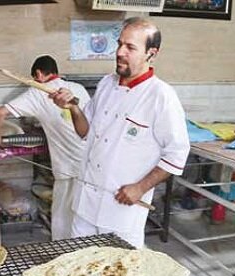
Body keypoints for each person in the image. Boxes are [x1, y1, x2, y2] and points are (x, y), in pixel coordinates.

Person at [50, 17, 190, 248]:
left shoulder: (161, 96)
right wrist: (73, 108)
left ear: (151, 53)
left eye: (130, 47)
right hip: (85, 204)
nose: (120, 52)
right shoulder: (107, 83)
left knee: (119, 268)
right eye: (119, 44)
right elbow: (85, 131)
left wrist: (140, 188)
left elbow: (177, 154)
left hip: (121, 212)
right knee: (79, 264)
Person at [0, 55, 91, 240]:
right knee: (86, 214)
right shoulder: (78, 88)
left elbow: (0, 112)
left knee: (63, 216)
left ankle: (63, 249)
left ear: (38, 74)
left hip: (68, 166)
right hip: (92, 162)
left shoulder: (36, 92)